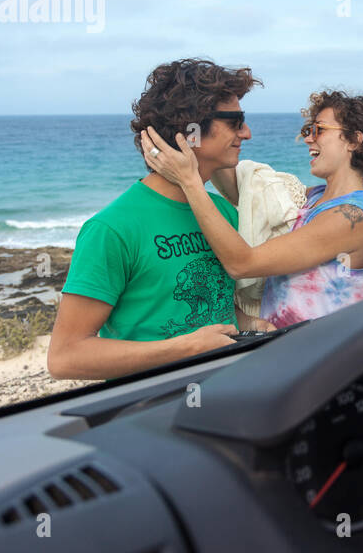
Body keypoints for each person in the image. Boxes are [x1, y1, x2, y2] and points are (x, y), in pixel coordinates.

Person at [47, 59, 260, 380]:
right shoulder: (112, 229)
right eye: (235, 121)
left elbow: (219, 305)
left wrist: (250, 324)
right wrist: (184, 348)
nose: (246, 132)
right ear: (191, 131)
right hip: (150, 408)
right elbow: (65, 358)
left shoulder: (224, 213)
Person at [141, 89, 363, 328]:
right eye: (307, 131)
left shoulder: (351, 218)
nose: (308, 139)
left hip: (325, 364)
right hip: (292, 355)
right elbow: (241, 188)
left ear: (354, 140)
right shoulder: (311, 199)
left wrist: (189, 181)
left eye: (319, 130)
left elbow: (242, 264)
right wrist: (206, 135)